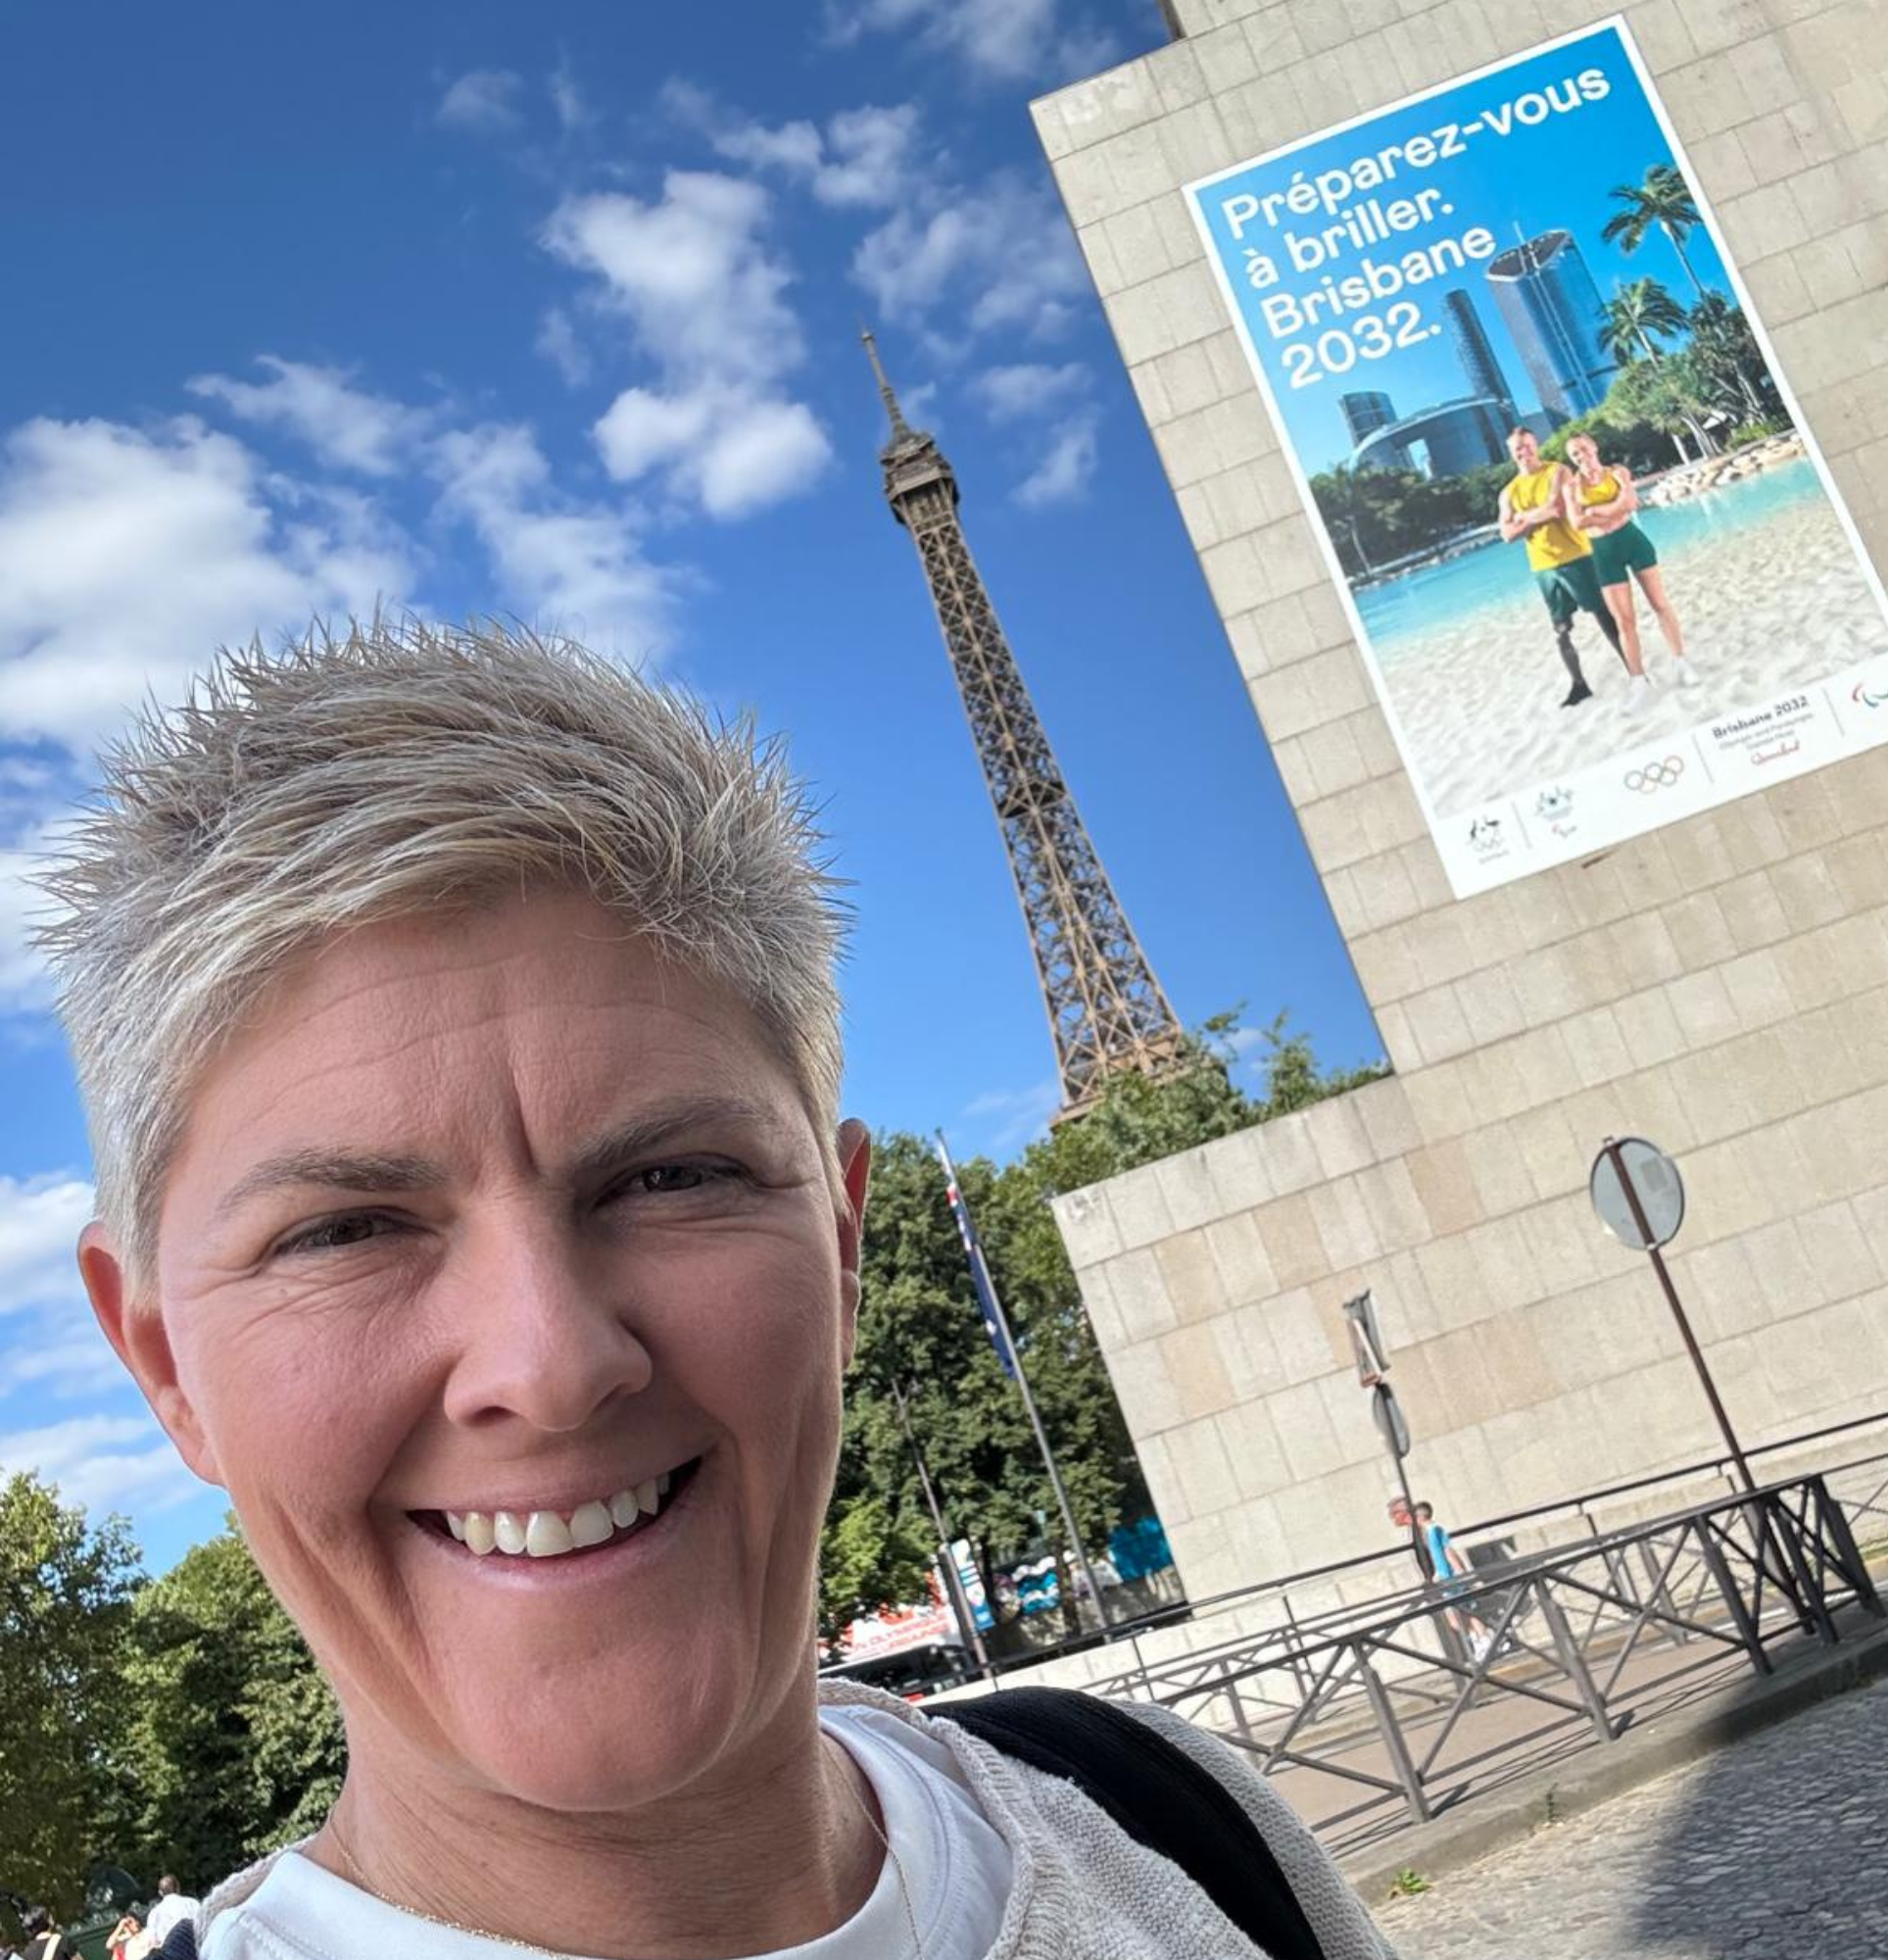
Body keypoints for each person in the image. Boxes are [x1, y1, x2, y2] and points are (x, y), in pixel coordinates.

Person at [44, 620, 1393, 1960]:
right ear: (163, 1366)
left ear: (846, 1244)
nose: (550, 1362)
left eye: (670, 1178)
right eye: (345, 1232)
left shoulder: (1178, 1812)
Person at [1496, 425, 1626, 709]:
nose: (1525, 451)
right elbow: (1506, 534)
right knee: (1561, 629)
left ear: (1536, 445)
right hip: (1543, 567)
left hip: (1578, 556)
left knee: (1603, 616)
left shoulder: (1558, 472)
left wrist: (1523, 518)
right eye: (1519, 448)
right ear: (1511, 452)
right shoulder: (1508, 493)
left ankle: (1633, 668)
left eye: (1529, 445)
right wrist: (1532, 517)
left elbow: (1556, 509)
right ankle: (1579, 685)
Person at [1565, 432, 1698, 706]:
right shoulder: (1572, 487)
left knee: (1660, 604)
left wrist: (1595, 513)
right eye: (1575, 454)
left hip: (1633, 541)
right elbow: (1577, 523)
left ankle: (1680, 662)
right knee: (1625, 621)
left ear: (1595, 446)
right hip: (1603, 553)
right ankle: (1638, 680)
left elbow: (1631, 504)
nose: (1582, 457)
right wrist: (1613, 508)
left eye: (1584, 450)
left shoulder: (1618, 472)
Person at [1415, 1502, 1491, 1664]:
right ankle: (1481, 1642)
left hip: (1449, 1577)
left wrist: (1459, 1572)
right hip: (1444, 1576)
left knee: (1459, 1614)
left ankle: (1485, 1641)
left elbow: (1447, 1552)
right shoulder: (1431, 1532)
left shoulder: (1433, 1531)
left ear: (1420, 1517)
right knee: (1459, 1616)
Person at [144, 1882, 198, 1952]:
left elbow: (153, 1942)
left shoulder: (153, 1914)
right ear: (178, 1888)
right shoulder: (191, 1903)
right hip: (195, 1948)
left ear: (160, 1892)